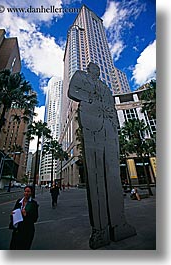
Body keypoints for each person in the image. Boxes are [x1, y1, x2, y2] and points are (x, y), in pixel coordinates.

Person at [68, 62, 136, 249]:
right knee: (96, 175)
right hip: (92, 126)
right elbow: (73, 91)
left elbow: (112, 106)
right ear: (89, 70)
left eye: (98, 69)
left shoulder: (105, 86)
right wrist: (90, 98)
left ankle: (119, 223)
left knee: (113, 176)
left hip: (110, 130)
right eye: (93, 68)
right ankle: (100, 229)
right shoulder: (80, 76)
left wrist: (115, 124)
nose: (96, 70)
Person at [9, 185, 39, 250]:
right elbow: (14, 211)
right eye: (25, 191)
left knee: (24, 247)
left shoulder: (33, 204)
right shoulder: (19, 202)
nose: (26, 193)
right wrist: (12, 214)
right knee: (13, 247)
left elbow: (35, 218)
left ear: (31, 193)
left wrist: (26, 214)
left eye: (28, 191)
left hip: (27, 230)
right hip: (18, 229)